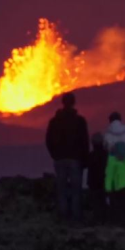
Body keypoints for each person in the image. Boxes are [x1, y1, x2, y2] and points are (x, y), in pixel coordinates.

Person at [45, 92, 89, 222]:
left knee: (62, 189)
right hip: (75, 159)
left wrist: (55, 155)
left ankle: (63, 216)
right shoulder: (80, 121)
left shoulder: (54, 121)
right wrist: (84, 160)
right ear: (73, 103)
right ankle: (76, 217)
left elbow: (48, 140)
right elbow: (84, 141)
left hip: (60, 159)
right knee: (76, 189)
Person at [103, 112, 125, 226]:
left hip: (115, 176)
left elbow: (106, 149)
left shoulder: (108, 134)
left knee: (116, 199)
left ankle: (117, 220)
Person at [87, 132, 108, 223]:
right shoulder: (107, 155)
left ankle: (97, 219)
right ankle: (104, 219)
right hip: (104, 181)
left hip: (93, 182)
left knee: (95, 202)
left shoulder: (91, 155)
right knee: (103, 201)